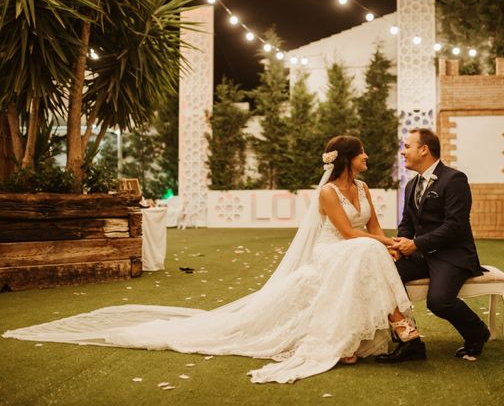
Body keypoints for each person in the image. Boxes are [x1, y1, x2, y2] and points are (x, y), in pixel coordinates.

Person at [3, 135, 424, 383]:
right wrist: (380, 246)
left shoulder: (365, 189)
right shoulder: (328, 192)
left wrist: (393, 242)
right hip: (333, 250)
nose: (368, 158)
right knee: (364, 253)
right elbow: (349, 235)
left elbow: (371, 232)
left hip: (356, 249)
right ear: (348, 158)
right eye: (363, 153)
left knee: (371, 252)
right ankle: (400, 330)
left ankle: (391, 333)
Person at [382, 128, 490, 362]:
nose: (403, 152)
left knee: (439, 301)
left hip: (452, 254)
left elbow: (455, 226)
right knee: (384, 275)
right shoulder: (411, 185)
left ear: (424, 149)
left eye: (407, 146)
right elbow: (407, 222)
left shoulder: (454, 179)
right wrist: (400, 246)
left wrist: (416, 245)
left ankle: (477, 332)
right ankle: (410, 343)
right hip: (421, 255)